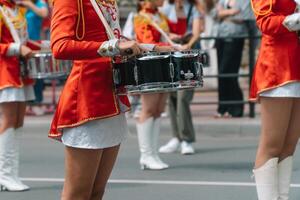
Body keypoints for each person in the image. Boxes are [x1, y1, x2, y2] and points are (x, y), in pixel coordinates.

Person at [49, 0, 172, 199]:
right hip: (86, 100)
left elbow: (112, 38)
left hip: (112, 96)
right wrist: (114, 46)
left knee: (97, 192)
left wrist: (153, 48)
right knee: (77, 194)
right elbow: (60, 46)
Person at [250, 0, 300, 199]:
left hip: (297, 64)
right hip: (277, 66)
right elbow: (265, 22)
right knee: (272, 145)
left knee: (289, 143)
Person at [133, 0, 183, 170]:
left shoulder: (159, 16)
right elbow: (146, 41)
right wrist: (170, 46)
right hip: (149, 66)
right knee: (148, 109)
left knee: (158, 110)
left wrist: (180, 7)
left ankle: (153, 153)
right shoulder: (141, 17)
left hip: (163, 64)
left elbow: (179, 30)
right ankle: (145, 155)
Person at [159, 0, 204, 155]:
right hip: (171, 53)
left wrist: (188, 44)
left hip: (188, 56)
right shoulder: (167, 8)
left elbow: (197, 32)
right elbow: (162, 30)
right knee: (171, 97)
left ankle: (186, 138)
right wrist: (172, 37)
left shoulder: (193, 8)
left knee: (183, 97)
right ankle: (176, 137)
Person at [0, 0, 35, 191]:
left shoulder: (16, 10)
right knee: (9, 120)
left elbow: (23, 41)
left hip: (19, 70)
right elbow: (13, 45)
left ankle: (11, 174)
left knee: (18, 121)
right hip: (5, 70)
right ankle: (4, 175)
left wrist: (45, 45)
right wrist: (15, 49)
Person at [213, 0, 248, 118]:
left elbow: (242, 17)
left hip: (235, 38)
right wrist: (230, 12)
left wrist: (223, 13)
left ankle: (236, 107)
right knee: (221, 74)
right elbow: (214, 14)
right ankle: (222, 108)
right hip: (220, 37)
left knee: (229, 72)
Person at [19, 0, 48, 116]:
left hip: (35, 43)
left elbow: (44, 14)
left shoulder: (39, 3)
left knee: (37, 73)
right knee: (22, 73)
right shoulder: (19, 4)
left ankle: (37, 101)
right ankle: (25, 102)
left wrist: (29, 5)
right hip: (21, 44)